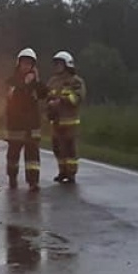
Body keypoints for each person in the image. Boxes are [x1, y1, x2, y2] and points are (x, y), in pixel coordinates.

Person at [4, 47, 48, 191]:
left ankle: (33, 182)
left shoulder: (35, 82)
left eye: (29, 64)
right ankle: (12, 177)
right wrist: (26, 83)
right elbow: (14, 97)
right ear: (19, 64)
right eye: (24, 63)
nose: (26, 66)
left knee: (33, 157)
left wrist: (37, 81)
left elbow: (44, 93)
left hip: (32, 127)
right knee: (13, 156)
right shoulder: (11, 81)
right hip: (15, 126)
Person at [44, 51, 87, 184]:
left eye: (59, 63)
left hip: (70, 122)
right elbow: (46, 96)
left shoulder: (76, 81)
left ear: (67, 64)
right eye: (55, 63)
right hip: (56, 122)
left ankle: (71, 173)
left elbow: (78, 97)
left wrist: (61, 101)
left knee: (70, 149)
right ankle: (62, 171)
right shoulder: (52, 81)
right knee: (57, 148)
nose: (57, 66)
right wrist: (48, 104)